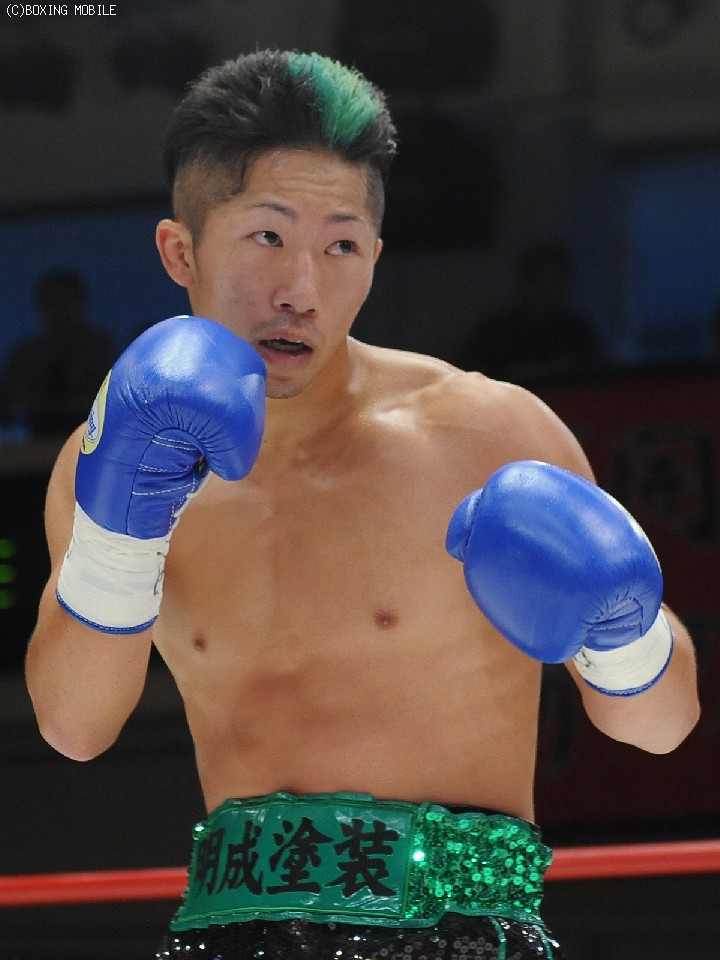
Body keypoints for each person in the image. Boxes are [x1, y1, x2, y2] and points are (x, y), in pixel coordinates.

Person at [24, 50, 700, 960]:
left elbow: (662, 727)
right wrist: (119, 536)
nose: (302, 290)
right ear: (180, 250)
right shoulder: (110, 453)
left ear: (375, 258)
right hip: (226, 932)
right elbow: (73, 729)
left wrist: (626, 632)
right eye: (268, 238)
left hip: (461, 932)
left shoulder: (486, 433)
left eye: (341, 246)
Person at [458, 241, 605, 384]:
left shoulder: (576, 329)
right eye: (541, 279)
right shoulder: (498, 330)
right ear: (527, 281)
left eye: (555, 280)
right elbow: (475, 374)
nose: (548, 288)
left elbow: (595, 372)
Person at [0, 270, 117, 438]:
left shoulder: (100, 348)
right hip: (36, 443)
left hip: (93, 440)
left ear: (80, 303)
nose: (60, 310)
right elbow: (10, 402)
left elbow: (113, 400)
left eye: (66, 301)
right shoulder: (27, 354)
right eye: (53, 302)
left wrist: (54, 402)